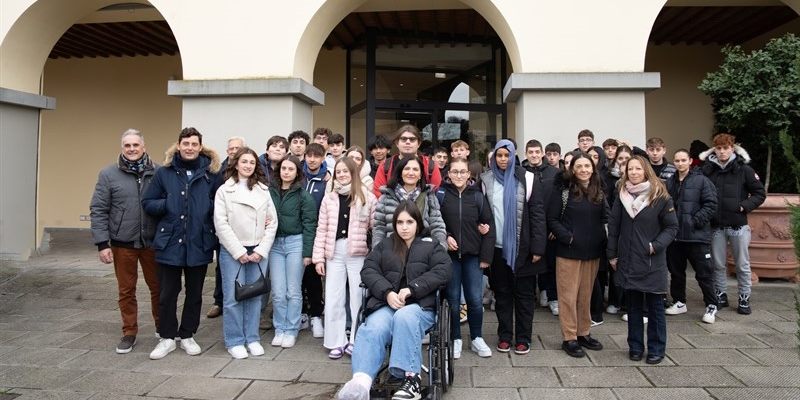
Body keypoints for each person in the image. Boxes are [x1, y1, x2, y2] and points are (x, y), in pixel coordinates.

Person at [336, 201, 451, 400]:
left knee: (405, 317)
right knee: (372, 326)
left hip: (420, 306)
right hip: (387, 304)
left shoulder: (431, 245)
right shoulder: (385, 245)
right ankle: (361, 383)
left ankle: (410, 379)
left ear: (418, 223)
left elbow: (444, 271)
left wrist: (413, 289)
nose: (404, 227)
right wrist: (387, 292)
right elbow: (368, 270)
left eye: (409, 222)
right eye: (400, 222)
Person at [142, 127, 222, 360]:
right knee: (167, 293)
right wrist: (166, 204)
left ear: (200, 147)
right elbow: (148, 201)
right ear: (178, 146)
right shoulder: (164, 173)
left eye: (194, 144)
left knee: (195, 293)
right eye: (185, 144)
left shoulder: (211, 174)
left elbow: (220, 205)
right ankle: (166, 337)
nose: (189, 148)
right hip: (169, 242)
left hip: (199, 241)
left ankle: (187, 334)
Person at [90, 128, 161, 354]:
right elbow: (99, 209)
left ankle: (163, 329)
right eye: (127, 145)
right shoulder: (108, 174)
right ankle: (129, 332)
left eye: (135, 145)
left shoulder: (159, 172)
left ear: (144, 146)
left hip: (152, 243)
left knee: (159, 288)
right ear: (122, 148)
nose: (132, 149)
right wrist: (102, 243)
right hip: (123, 243)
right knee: (126, 290)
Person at [607, 155, 678, 364]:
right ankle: (635, 346)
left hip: (651, 261)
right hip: (628, 260)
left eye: (638, 169)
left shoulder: (660, 197)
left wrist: (654, 246)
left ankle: (657, 348)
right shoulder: (622, 195)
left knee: (655, 308)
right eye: (630, 170)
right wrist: (612, 253)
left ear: (646, 170)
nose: (634, 173)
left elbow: (672, 227)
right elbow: (614, 226)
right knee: (634, 307)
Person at [213, 147, 278, 359]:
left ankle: (252, 338)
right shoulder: (224, 190)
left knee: (255, 296)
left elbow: (272, 222)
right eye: (244, 162)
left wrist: (261, 250)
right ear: (236, 164)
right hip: (234, 250)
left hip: (258, 250)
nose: (248, 166)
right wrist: (238, 251)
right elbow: (221, 223)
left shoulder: (263, 190)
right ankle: (234, 340)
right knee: (233, 296)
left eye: (251, 162)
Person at [481, 140, 544, 355]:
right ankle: (505, 336)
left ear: (513, 156)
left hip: (523, 249)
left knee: (525, 296)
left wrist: (538, 247)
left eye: (506, 155)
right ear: (493, 157)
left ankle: (524, 338)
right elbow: (484, 213)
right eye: (499, 155)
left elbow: (537, 214)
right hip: (497, 249)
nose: (503, 159)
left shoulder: (526, 178)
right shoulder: (486, 180)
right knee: (503, 294)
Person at [313, 158, 377, 359]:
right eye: (338, 172)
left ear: (353, 173)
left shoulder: (367, 197)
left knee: (357, 298)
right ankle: (335, 340)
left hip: (358, 252)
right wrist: (318, 258)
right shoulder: (329, 199)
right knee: (333, 297)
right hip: (334, 252)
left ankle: (356, 340)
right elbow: (321, 228)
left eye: (345, 171)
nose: (341, 175)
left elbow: (375, 227)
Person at [546, 152, 607, 358]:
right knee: (568, 297)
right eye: (579, 166)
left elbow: (604, 217)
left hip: (592, 252)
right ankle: (569, 337)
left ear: (593, 168)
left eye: (587, 166)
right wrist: (568, 238)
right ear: (572, 169)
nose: (583, 170)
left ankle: (584, 332)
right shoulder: (563, 190)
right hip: (569, 252)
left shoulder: (598, 190)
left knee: (585, 296)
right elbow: (552, 219)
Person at [699, 133, 765, 314]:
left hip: (738, 225)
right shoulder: (707, 170)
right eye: (719, 148)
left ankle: (744, 297)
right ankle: (721, 294)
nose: (722, 152)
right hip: (716, 225)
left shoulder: (744, 170)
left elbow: (760, 193)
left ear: (732, 148)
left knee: (742, 264)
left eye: (725, 148)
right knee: (718, 264)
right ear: (714, 149)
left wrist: (744, 206)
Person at [438, 157, 496, 359]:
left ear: (469, 174)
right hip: (450, 257)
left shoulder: (478, 196)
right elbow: (434, 222)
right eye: (455, 172)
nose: (459, 175)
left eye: (463, 172)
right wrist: (445, 237)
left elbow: (488, 225)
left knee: (474, 299)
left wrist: (486, 256)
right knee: (453, 299)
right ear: (449, 174)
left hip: (473, 256)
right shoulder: (441, 195)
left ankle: (477, 337)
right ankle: (455, 338)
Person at [269, 154, 319, 348]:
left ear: (297, 172)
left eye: (291, 169)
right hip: (274, 245)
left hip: (295, 243)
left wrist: (308, 253)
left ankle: (291, 329)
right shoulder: (269, 192)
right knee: (279, 291)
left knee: (293, 290)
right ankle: (279, 328)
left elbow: (309, 224)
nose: (286, 172)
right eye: (283, 168)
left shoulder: (303, 195)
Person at [665, 149, 719, 323]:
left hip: (697, 237)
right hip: (675, 237)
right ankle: (679, 302)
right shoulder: (670, 182)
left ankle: (711, 305)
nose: (680, 163)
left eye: (683, 160)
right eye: (677, 160)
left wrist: (695, 221)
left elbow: (711, 204)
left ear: (690, 161)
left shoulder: (702, 181)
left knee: (704, 273)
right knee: (676, 273)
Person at [208, 136, 246, 320]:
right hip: (224, 226)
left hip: (245, 228)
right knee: (222, 267)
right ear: (227, 150)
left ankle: (243, 298)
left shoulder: (250, 170)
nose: (234, 151)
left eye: (237, 148)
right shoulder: (218, 171)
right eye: (231, 148)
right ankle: (219, 301)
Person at [521, 139, 560, 316]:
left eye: (537, 152)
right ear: (526, 154)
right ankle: (530, 297)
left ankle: (551, 296)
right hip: (527, 226)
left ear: (542, 153)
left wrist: (555, 227)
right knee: (529, 261)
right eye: (531, 152)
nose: (534, 155)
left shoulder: (555, 172)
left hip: (550, 225)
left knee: (550, 264)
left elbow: (559, 201)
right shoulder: (520, 172)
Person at [372, 155, 447, 248]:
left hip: (422, 252)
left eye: (415, 169)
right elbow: (379, 228)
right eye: (407, 169)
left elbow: (437, 226)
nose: (411, 173)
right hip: (392, 251)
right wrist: (378, 251)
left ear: (420, 175)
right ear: (400, 172)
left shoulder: (429, 196)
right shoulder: (386, 197)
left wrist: (440, 249)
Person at [301, 142, 331, 338]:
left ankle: (316, 315)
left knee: (313, 276)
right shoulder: (297, 175)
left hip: (318, 233)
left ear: (323, 158)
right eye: (309, 155)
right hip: (297, 232)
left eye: (316, 156)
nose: (312, 159)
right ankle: (302, 312)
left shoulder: (328, 180)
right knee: (297, 278)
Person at [603, 144, 633, 315]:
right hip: (617, 228)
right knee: (614, 265)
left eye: (627, 160)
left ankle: (630, 304)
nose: (624, 164)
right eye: (620, 160)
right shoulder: (614, 184)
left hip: (635, 233)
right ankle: (616, 300)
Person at [372, 125, 442, 198]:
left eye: (412, 139)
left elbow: (435, 193)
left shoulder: (430, 165)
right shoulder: (385, 165)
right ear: (397, 143)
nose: (408, 142)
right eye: (403, 139)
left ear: (419, 143)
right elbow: (379, 193)